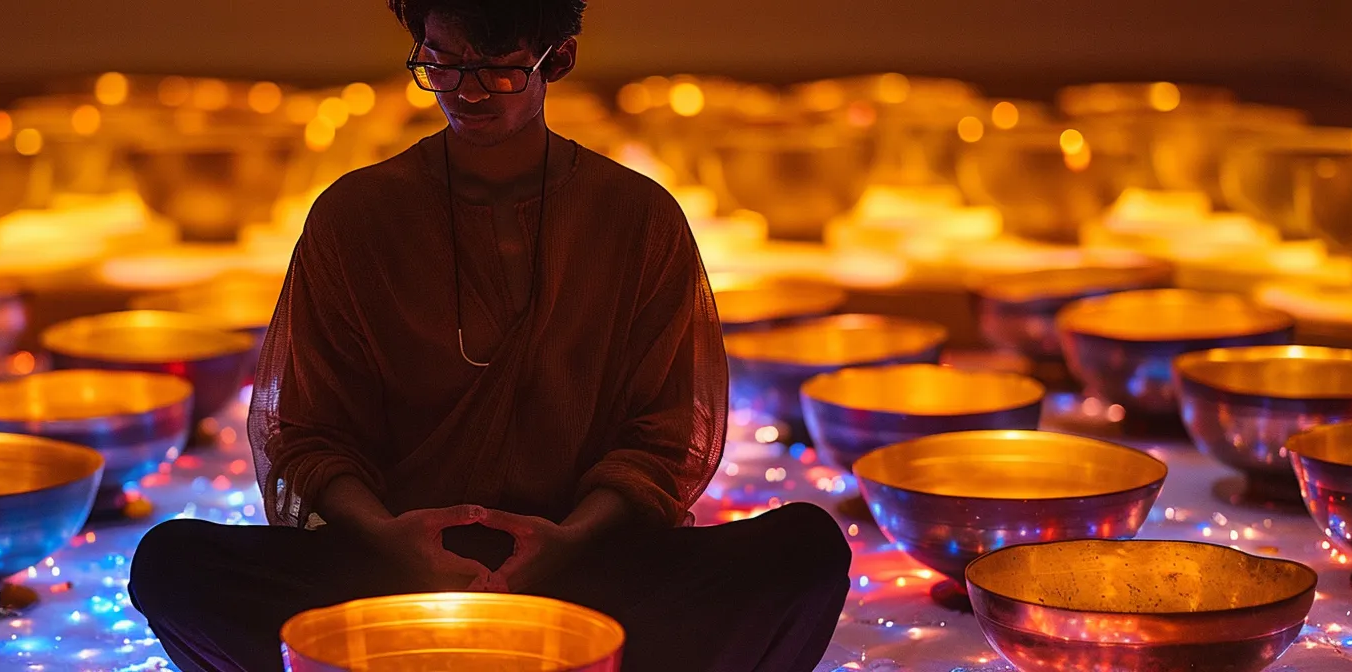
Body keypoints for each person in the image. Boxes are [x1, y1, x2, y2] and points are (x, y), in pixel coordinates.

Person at [129, 1, 852, 670]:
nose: (466, 91)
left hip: (584, 564)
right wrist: (388, 536)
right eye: (441, 64)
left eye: (499, 69)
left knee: (806, 549)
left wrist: (568, 541)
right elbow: (308, 435)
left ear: (557, 60)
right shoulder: (355, 216)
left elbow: (663, 437)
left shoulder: (636, 217)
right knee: (171, 563)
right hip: (394, 572)